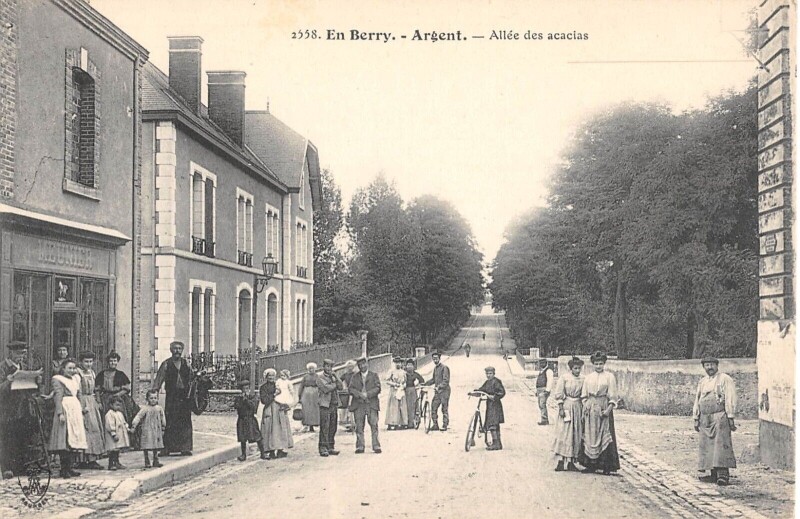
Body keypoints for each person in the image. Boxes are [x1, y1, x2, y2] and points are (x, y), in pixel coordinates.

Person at [0, 340, 43, 478]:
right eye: (18, 354)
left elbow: (29, 389)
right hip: (8, 409)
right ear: (11, 353)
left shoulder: (24, 366)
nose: (21, 357)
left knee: (22, 438)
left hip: (24, 408)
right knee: (8, 439)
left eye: (23, 354)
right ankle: (7, 468)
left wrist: (37, 381)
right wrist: (8, 381)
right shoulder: (2, 367)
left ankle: (20, 467)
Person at [693, 357, 738, 486]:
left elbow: (730, 398)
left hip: (720, 416)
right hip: (705, 418)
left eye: (712, 364)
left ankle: (723, 475)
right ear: (704, 367)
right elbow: (697, 400)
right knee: (707, 446)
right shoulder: (702, 382)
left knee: (721, 445)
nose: (709, 367)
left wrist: (730, 416)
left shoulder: (725, 379)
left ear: (717, 366)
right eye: (706, 365)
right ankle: (713, 474)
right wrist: (696, 418)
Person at [579, 351, 620, 475]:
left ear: (604, 364)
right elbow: (584, 394)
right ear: (593, 364)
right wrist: (586, 405)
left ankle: (606, 465)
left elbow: (613, 395)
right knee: (590, 434)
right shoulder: (588, 377)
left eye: (600, 364)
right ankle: (590, 465)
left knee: (604, 434)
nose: (598, 366)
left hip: (603, 405)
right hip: (591, 407)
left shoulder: (609, 377)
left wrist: (608, 410)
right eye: (596, 364)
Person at [151, 341, 194, 456]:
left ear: (182, 350)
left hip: (185, 397)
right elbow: (159, 379)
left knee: (185, 421)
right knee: (170, 421)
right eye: (175, 348)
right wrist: (154, 392)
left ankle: (185, 447)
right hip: (172, 397)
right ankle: (167, 448)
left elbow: (192, 379)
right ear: (171, 350)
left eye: (179, 348)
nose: (177, 351)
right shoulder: (166, 364)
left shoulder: (187, 364)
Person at [49, 358, 88, 478]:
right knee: (65, 439)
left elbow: (79, 394)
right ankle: (64, 469)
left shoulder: (76, 379)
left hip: (75, 409)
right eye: (69, 368)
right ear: (63, 369)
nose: (72, 370)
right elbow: (58, 396)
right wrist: (60, 413)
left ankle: (70, 467)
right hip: (65, 409)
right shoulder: (58, 379)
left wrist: (82, 408)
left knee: (75, 437)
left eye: (73, 368)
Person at [553, 357, 585, 471]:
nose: (577, 371)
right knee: (565, 432)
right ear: (571, 368)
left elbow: (584, 394)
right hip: (567, 405)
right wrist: (561, 407)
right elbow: (559, 393)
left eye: (579, 368)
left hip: (577, 406)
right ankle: (561, 461)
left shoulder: (583, 378)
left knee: (575, 433)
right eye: (575, 368)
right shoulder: (565, 378)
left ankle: (571, 461)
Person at [76, 351, 106, 469]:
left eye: (90, 361)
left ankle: (92, 458)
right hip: (83, 401)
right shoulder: (78, 374)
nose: (88, 364)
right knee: (85, 429)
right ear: (81, 362)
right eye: (86, 361)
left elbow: (95, 390)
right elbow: (78, 391)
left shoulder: (92, 373)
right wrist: (81, 406)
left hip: (91, 401)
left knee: (94, 428)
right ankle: (82, 459)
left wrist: (97, 402)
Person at [348, 357, 382, 454]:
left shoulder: (374, 375)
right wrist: (359, 395)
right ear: (358, 366)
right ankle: (360, 446)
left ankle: (376, 445)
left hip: (371, 404)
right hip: (358, 404)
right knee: (359, 426)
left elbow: (378, 388)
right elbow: (351, 389)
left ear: (367, 364)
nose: (362, 366)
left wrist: (368, 394)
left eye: (364, 364)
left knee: (374, 425)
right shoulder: (354, 377)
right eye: (360, 365)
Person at [259, 368, 293, 459]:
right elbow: (264, 400)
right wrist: (274, 395)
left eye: (273, 376)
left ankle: (280, 449)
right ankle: (271, 450)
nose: (271, 377)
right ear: (266, 377)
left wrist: (286, 404)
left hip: (279, 409)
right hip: (270, 409)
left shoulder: (278, 385)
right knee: (270, 429)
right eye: (269, 376)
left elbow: (285, 394)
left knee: (280, 429)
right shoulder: (263, 387)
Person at [473, 366, 506, 450]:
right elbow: (482, 389)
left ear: (494, 374)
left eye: (490, 373)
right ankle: (498, 443)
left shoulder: (497, 382)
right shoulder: (487, 382)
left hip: (495, 405)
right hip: (490, 405)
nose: (488, 375)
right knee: (492, 422)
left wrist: (494, 396)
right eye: (487, 373)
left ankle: (496, 444)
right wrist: (475, 392)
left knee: (493, 423)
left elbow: (502, 392)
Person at [131, 389, 166, 468]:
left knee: (156, 445)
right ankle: (147, 460)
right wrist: (134, 425)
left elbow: (162, 417)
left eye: (155, 398)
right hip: (147, 430)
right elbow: (138, 416)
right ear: (147, 399)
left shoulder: (159, 408)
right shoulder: (145, 409)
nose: (153, 400)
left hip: (156, 430)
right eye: (151, 398)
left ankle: (156, 460)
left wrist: (163, 426)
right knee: (146, 444)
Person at [317, 359, 343, 457]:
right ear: (323, 367)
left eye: (331, 367)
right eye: (327, 366)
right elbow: (325, 388)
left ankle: (331, 447)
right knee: (325, 426)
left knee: (333, 426)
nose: (329, 369)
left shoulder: (333, 377)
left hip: (334, 404)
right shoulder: (320, 377)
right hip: (325, 405)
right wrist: (334, 384)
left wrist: (336, 377)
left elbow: (341, 387)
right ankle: (323, 447)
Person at [233, 380, 263, 461]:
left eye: (247, 388)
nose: (245, 390)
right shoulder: (238, 398)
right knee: (242, 438)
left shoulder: (253, 396)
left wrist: (246, 399)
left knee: (257, 436)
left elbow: (253, 407)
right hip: (242, 419)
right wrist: (242, 399)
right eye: (244, 388)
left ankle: (263, 453)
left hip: (250, 419)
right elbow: (236, 406)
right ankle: (243, 454)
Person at [425, 351, 450, 431]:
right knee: (433, 407)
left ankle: (445, 425)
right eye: (433, 359)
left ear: (439, 359)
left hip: (444, 392)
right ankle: (435, 425)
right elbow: (433, 380)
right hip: (437, 392)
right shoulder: (435, 368)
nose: (435, 360)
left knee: (444, 408)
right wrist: (426, 383)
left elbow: (446, 381)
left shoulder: (444, 368)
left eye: (436, 358)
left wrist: (439, 387)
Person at [104, 397, 130, 470]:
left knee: (117, 450)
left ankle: (117, 462)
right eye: (116, 405)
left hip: (120, 434)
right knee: (112, 450)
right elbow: (110, 425)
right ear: (111, 405)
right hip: (113, 436)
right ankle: (111, 464)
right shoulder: (109, 414)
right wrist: (113, 434)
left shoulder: (120, 413)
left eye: (119, 405)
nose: (118, 407)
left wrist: (127, 428)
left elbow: (123, 422)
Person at [385, 357, 408, 430]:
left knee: (401, 406)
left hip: (401, 390)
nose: (398, 364)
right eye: (397, 362)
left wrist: (404, 385)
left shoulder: (404, 372)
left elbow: (405, 381)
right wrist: (394, 384)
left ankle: (401, 423)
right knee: (393, 407)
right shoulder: (391, 371)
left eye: (399, 362)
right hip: (394, 390)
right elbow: (387, 381)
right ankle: (392, 423)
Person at [298, 363, 320, 432]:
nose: (311, 370)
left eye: (312, 368)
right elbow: (301, 386)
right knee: (306, 409)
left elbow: (320, 385)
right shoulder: (305, 377)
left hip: (315, 394)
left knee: (314, 409)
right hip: (306, 394)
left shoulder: (317, 376)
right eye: (310, 369)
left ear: (315, 369)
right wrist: (299, 395)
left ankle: (313, 425)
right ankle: (307, 424)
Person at [404, 359, 425, 429]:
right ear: (406, 366)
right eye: (408, 365)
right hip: (405, 392)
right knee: (406, 406)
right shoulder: (404, 374)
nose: (409, 367)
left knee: (413, 407)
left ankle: (412, 423)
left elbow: (422, 381)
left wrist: (418, 385)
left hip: (413, 391)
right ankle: (405, 422)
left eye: (411, 365)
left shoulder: (416, 374)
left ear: (413, 366)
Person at [339, 360, 358, 432]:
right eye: (348, 366)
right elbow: (339, 380)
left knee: (354, 407)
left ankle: (355, 424)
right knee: (347, 408)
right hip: (348, 392)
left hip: (355, 392)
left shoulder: (356, 374)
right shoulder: (345, 374)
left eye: (351, 366)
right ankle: (349, 425)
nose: (350, 367)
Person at [536, 359, 554, 425]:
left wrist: (547, 390)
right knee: (540, 405)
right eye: (540, 363)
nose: (541, 364)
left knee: (542, 404)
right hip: (539, 389)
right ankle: (543, 418)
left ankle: (544, 420)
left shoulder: (548, 371)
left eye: (543, 363)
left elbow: (550, 381)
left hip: (544, 390)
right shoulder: (541, 371)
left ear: (546, 363)